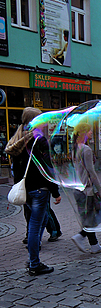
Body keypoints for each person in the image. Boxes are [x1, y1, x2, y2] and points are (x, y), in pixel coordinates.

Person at [5, 107, 61, 276]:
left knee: (40, 220)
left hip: (26, 191)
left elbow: (16, 168)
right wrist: (55, 192)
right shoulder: (38, 140)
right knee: (35, 227)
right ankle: (34, 264)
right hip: (39, 190)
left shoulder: (17, 138)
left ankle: (33, 256)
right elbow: (47, 168)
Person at [70, 123, 101, 254]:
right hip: (87, 189)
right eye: (90, 131)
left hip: (78, 189)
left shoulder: (75, 148)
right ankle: (81, 236)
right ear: (82, 133)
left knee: (88, 216)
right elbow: (91, 172)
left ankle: (94, 245)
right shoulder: (86, 149)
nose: (92, 133)